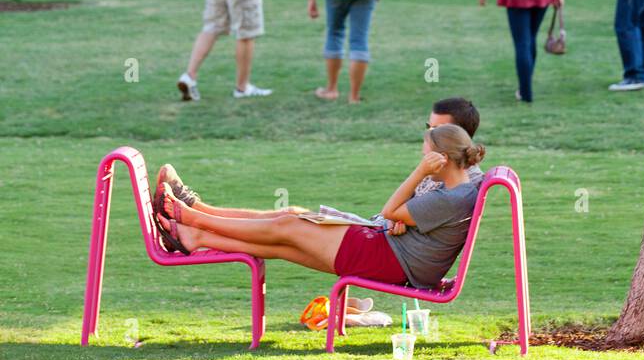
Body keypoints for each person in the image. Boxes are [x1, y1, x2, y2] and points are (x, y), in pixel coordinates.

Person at [153, 124, 484, 291]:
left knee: (289, 226)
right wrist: (405, 219)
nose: (421, 158)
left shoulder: (452, 196)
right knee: (290, 219)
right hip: (389, 247)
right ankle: (196, 237)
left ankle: (190, 215)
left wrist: (419, 174)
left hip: (392, 259)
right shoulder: (456, 188)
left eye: (424, 154)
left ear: (440, 158)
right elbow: (400, 216)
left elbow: (390, 210)